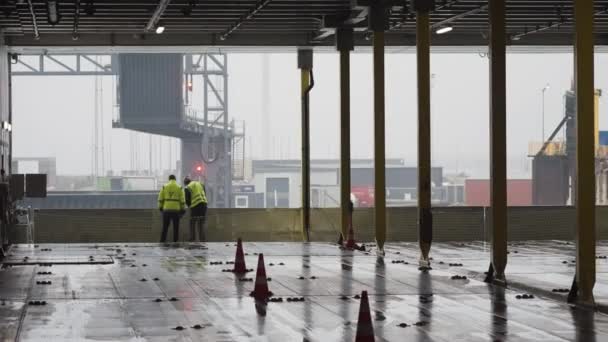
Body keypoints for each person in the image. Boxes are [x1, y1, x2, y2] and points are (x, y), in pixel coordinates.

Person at [158, 175, 185, 243]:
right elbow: (182, 200)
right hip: (176, 210)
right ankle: (175, 242)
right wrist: (183, 209)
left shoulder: (164, 187)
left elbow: (160, 199)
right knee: (176, 228)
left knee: (165, 227)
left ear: (169, 179)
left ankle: (162, 241)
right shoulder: (179, 187)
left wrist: (160, 207)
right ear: (175, 179)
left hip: (166, 210)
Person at [183, 176, 208, 242]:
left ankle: (192, 238)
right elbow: (205, 193)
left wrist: (190, 206)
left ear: (185, 183)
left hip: (195, 206)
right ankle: (202, 239)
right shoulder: (200, 184)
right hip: (204, 204)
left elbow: (187, 200)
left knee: (192, 222)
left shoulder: (187, 187)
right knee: (201, 223)